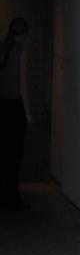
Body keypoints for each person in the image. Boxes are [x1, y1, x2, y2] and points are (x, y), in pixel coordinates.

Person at [0, 17, 32, 209]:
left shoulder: (1, 48)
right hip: (14, 108)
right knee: (14, 155)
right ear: (23, 34)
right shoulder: (21, 53)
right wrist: (28, 114)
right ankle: (12, 197)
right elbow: (22, 85)